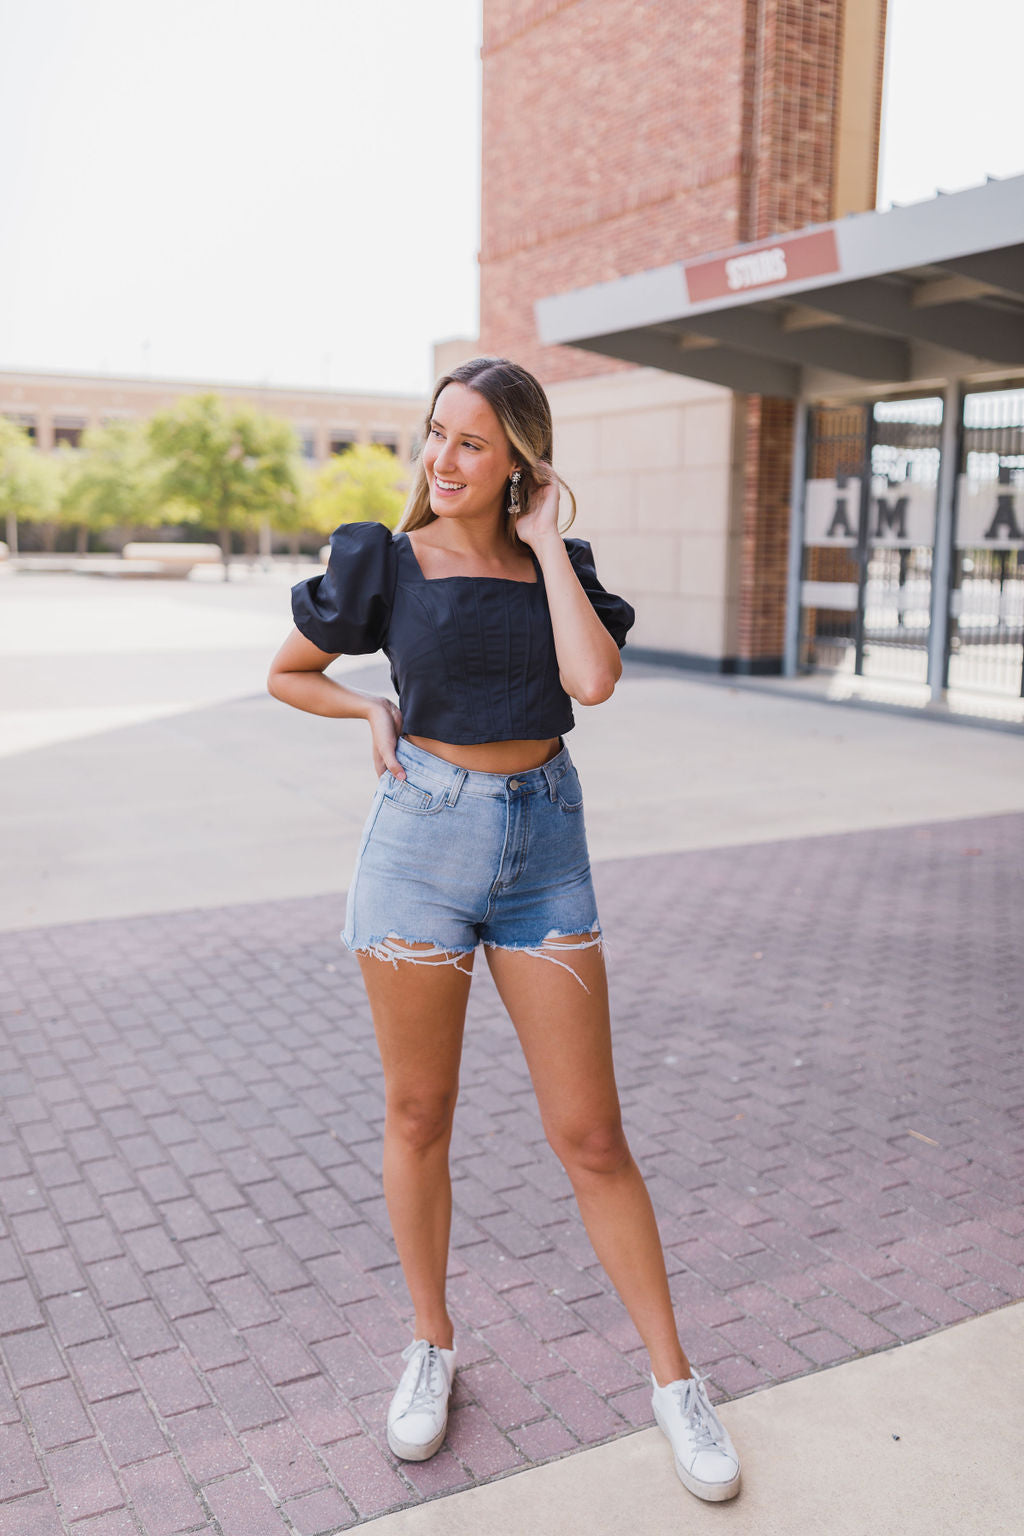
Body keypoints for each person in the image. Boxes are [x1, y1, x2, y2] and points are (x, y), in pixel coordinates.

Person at [267, 356, 741, 1503]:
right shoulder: (382, 562)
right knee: (419, 1113)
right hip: (420, 846)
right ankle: (430, 1343)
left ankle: (675, 1381)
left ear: (519, 460)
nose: (440, 459)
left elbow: (592, 681)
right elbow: (288, 673)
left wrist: (539, 544)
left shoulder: (557, 568)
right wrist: (366, 705)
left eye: (471, 443)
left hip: (543, 852)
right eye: (435, 434)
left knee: (590, 1135)